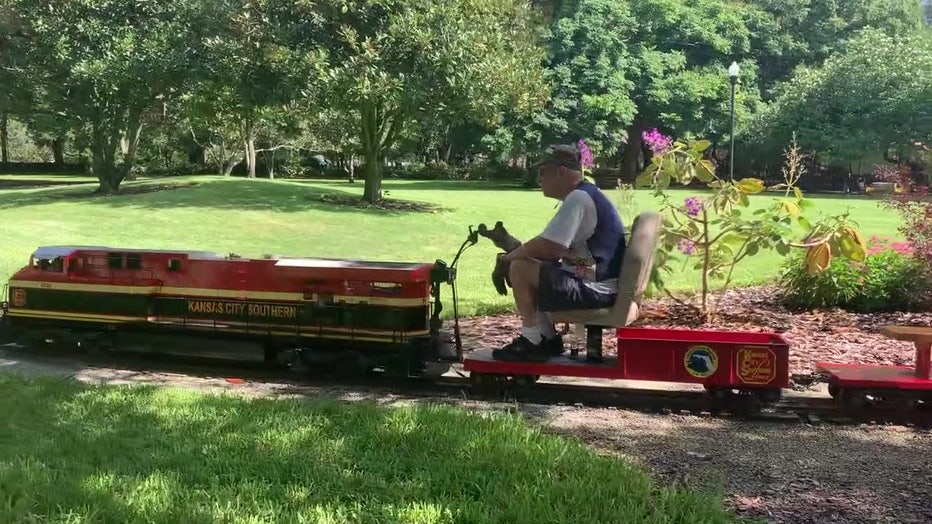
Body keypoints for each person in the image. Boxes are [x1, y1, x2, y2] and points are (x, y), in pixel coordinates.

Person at [493, 144, 626, 362]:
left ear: (561, 172)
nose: (539, 178)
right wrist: (522, 253)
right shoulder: (587, 194)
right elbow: (559, 252)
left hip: (595, 289)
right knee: (531, 266)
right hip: (597, 279)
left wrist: (508, 259)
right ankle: (547, 338)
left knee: (520, 268)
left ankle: (532, 341)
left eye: (543, 172)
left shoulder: (578, 199)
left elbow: (549, 246)